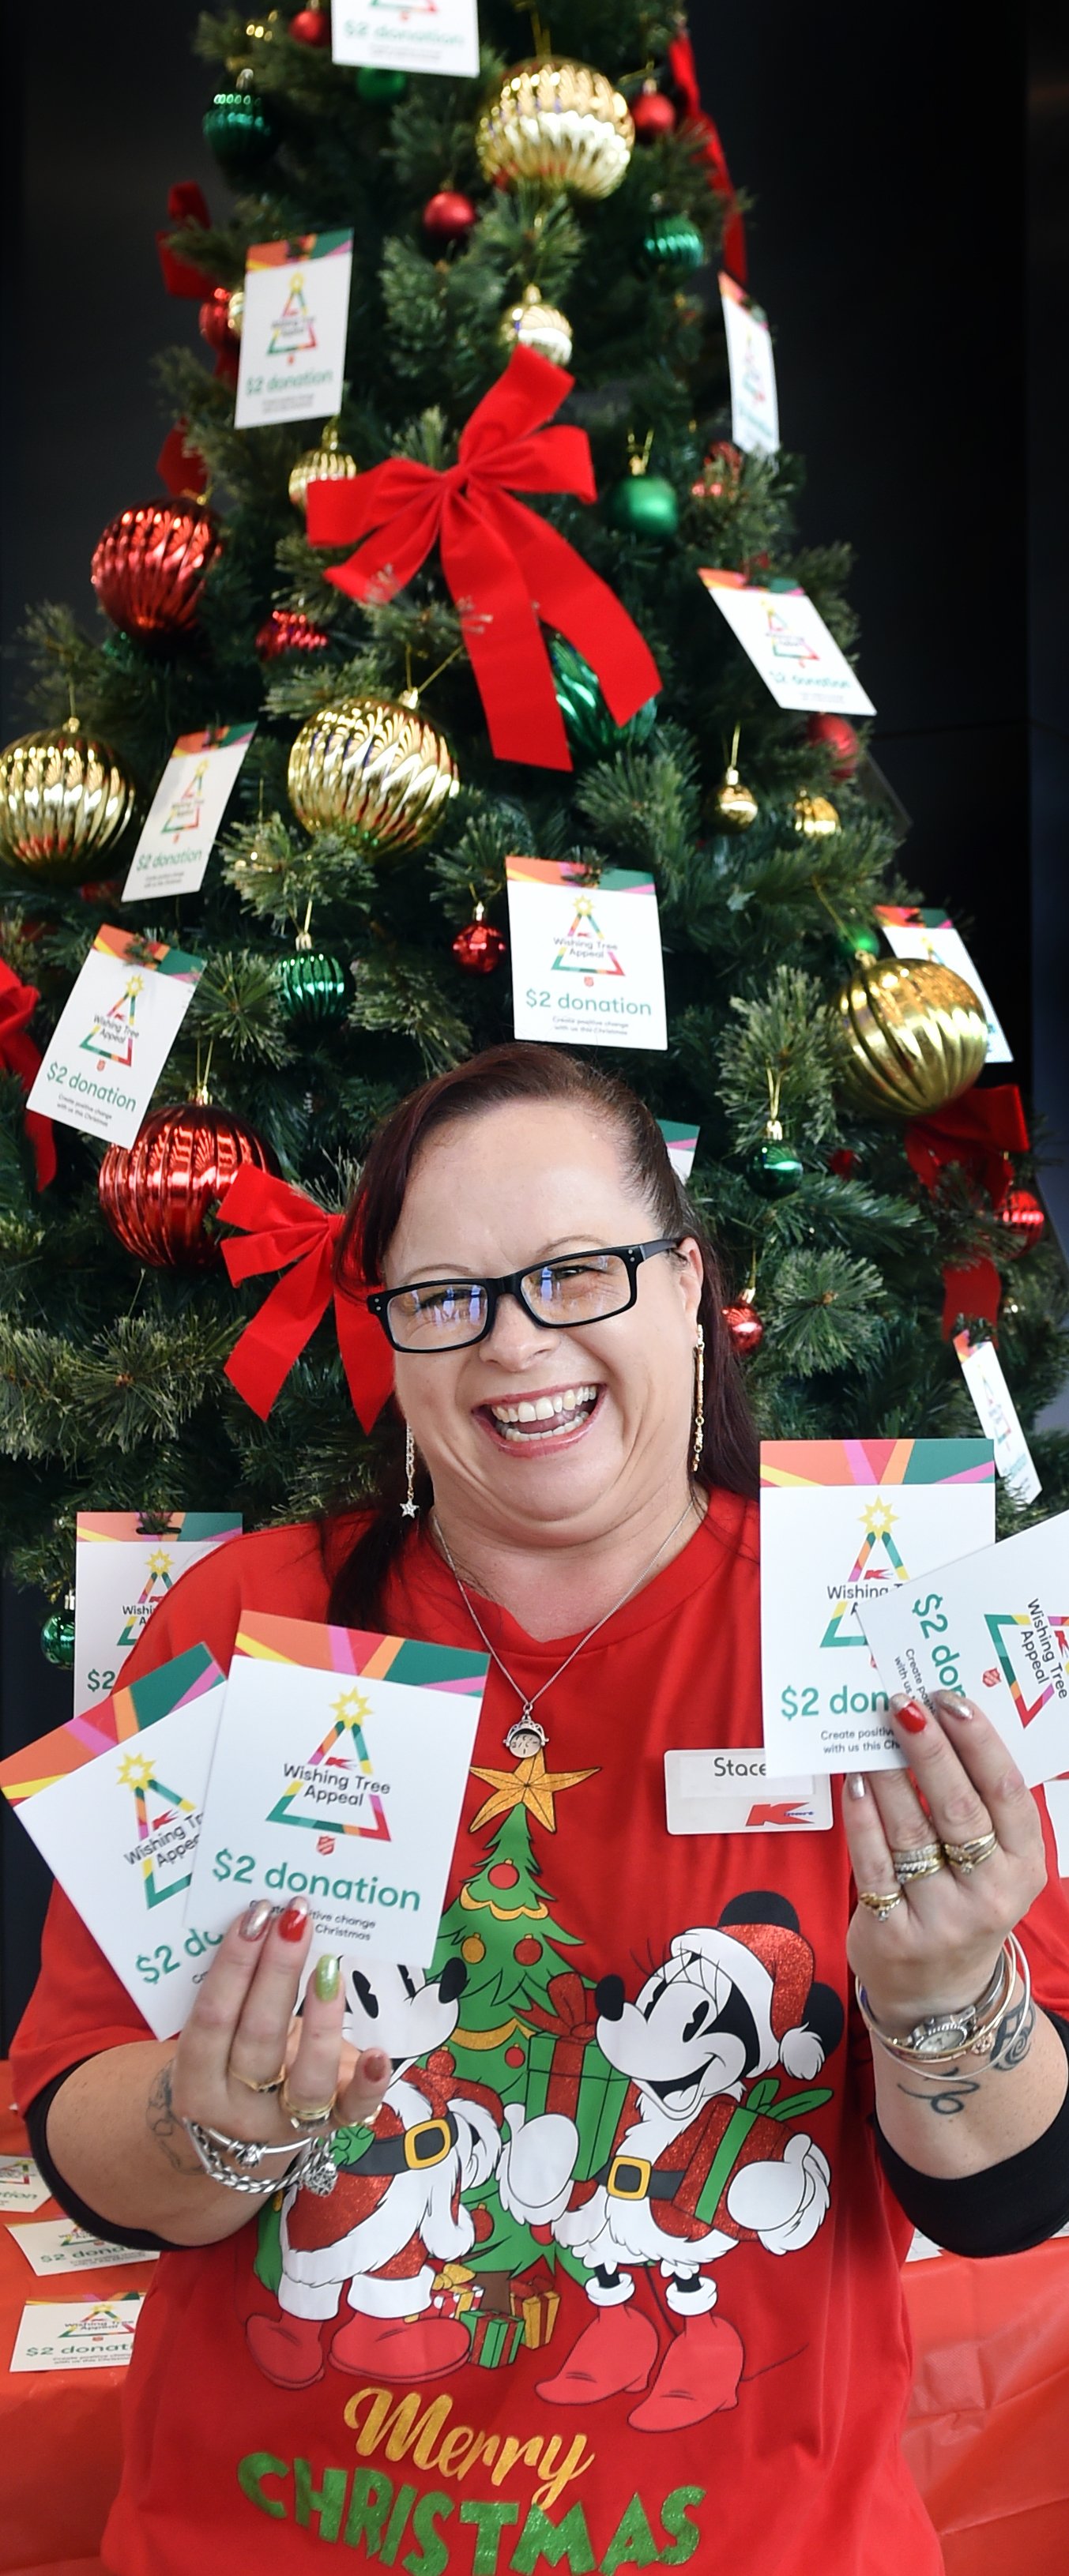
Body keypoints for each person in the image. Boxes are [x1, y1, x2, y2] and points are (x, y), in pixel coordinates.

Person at [12, 1044, 1069, 2576]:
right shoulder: (250, 1624)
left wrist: (937, 1995)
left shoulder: (872, 1630)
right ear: (391, 1334)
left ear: (683, 1281)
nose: (513, 1342)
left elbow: (1006, 2201)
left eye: (577, 1270)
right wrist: (208, 2123)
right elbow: (76, 2129)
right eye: (443, 1294)